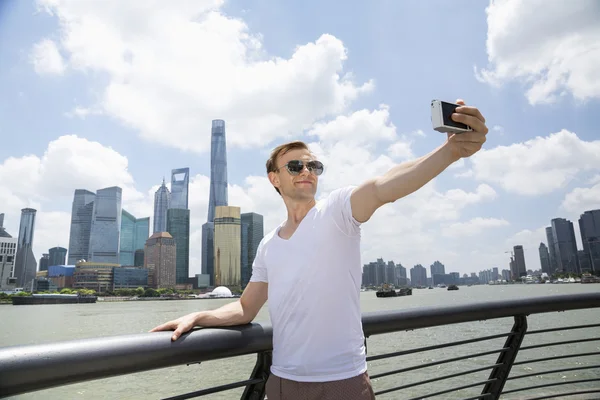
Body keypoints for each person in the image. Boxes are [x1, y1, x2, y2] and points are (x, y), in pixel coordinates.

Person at [150, 100, 488, 399]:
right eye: (295, 166)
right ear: (274, 179)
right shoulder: (268, 245)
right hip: (282, 383)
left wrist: (450, 152)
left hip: (342, 383)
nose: (307, 171)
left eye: (314, 166)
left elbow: (385, 186)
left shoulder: (337, 211)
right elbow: (244, 308)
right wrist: (197, 316)